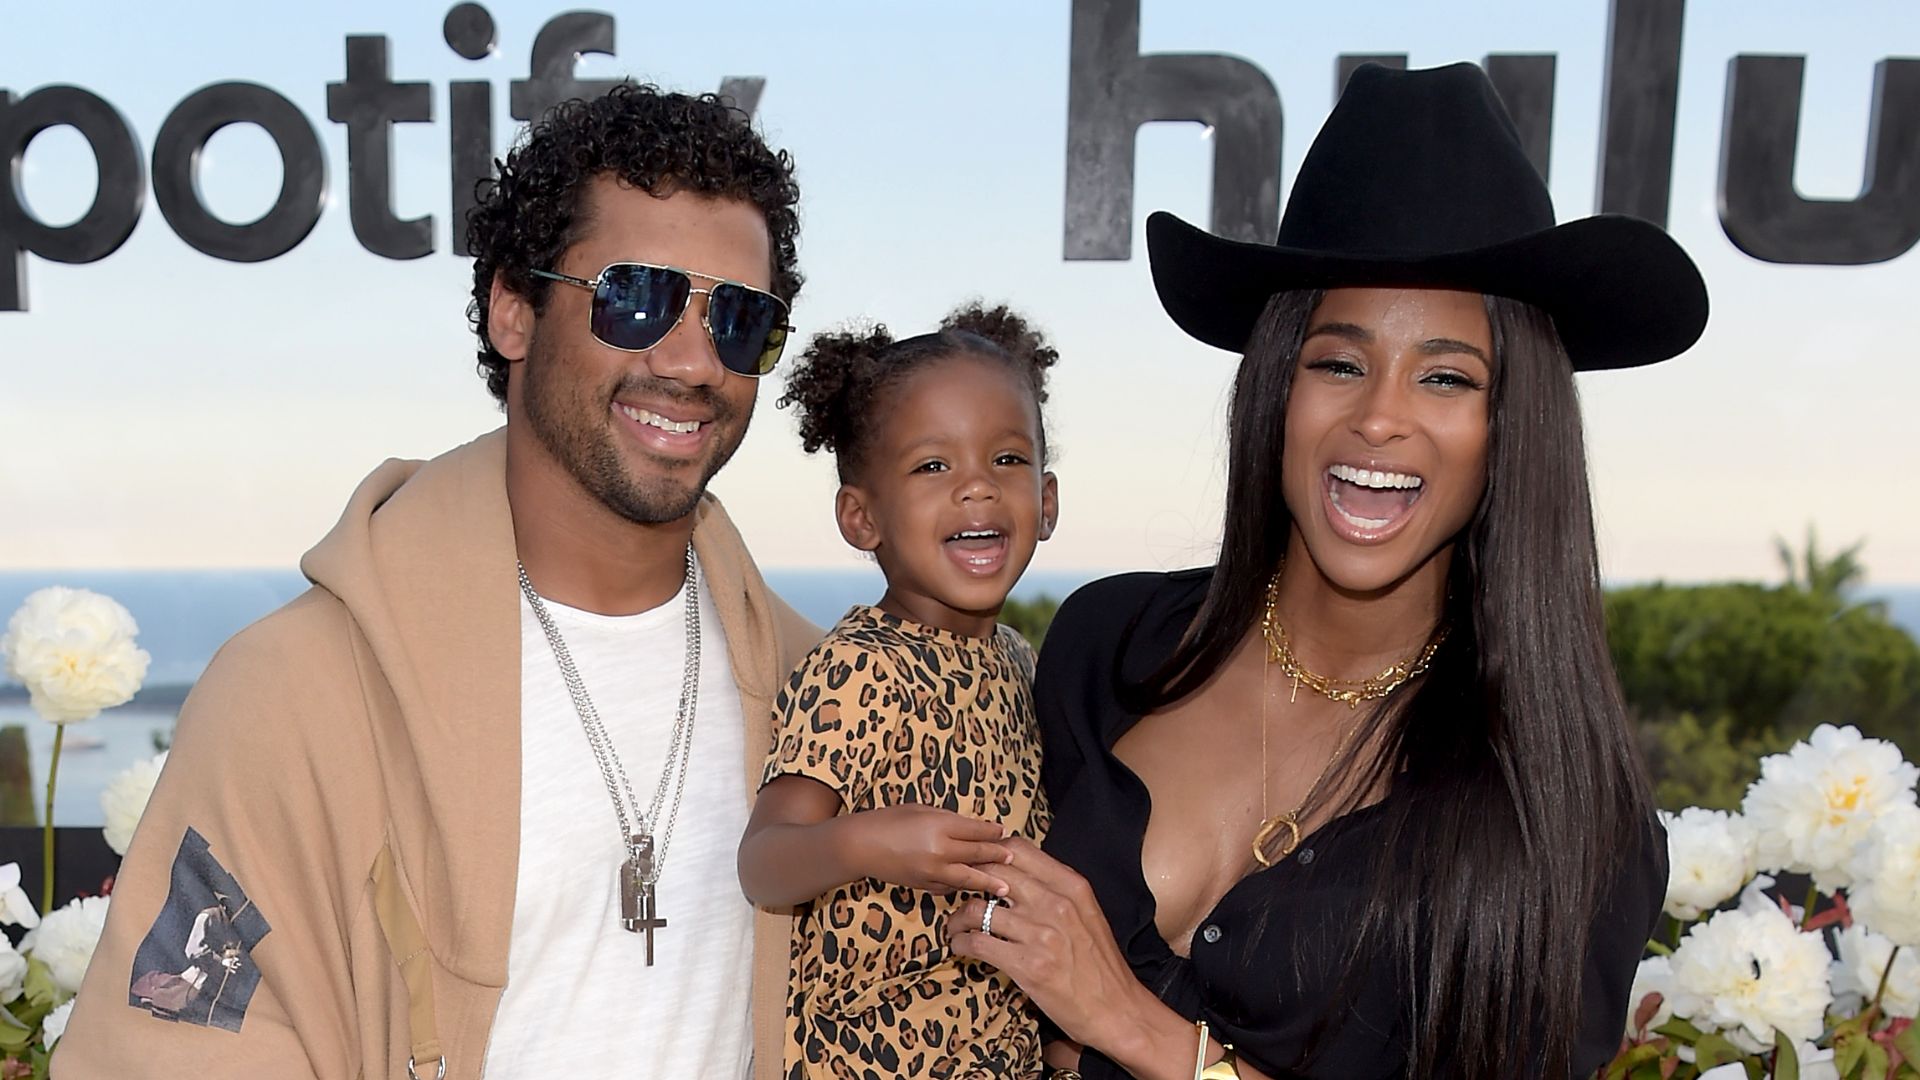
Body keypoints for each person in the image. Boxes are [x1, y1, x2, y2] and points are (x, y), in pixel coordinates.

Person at [946, 63, 1701, 1079]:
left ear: (1509, 428)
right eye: (1338, 362)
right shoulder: (1108, 646)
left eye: (1445, 376)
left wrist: (1134, 1027)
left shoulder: (1569, 821)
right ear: (1277, 389)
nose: (1378, 416)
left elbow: (1098, 1013)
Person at [57, 83, 819, 1079]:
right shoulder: (298, 692)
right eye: (639, 297)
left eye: (739, 322)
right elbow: (168, 1044)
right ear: (514, 308)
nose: (691, 361)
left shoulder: (816, 691)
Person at [737, 305, 1061, 1078]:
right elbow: (765, 861)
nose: (977, 487)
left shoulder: (1019, 663)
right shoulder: (856, 667)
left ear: (1047, 501)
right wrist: (868, 842)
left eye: (1007, 460)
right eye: (933, 467)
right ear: (861, 516)